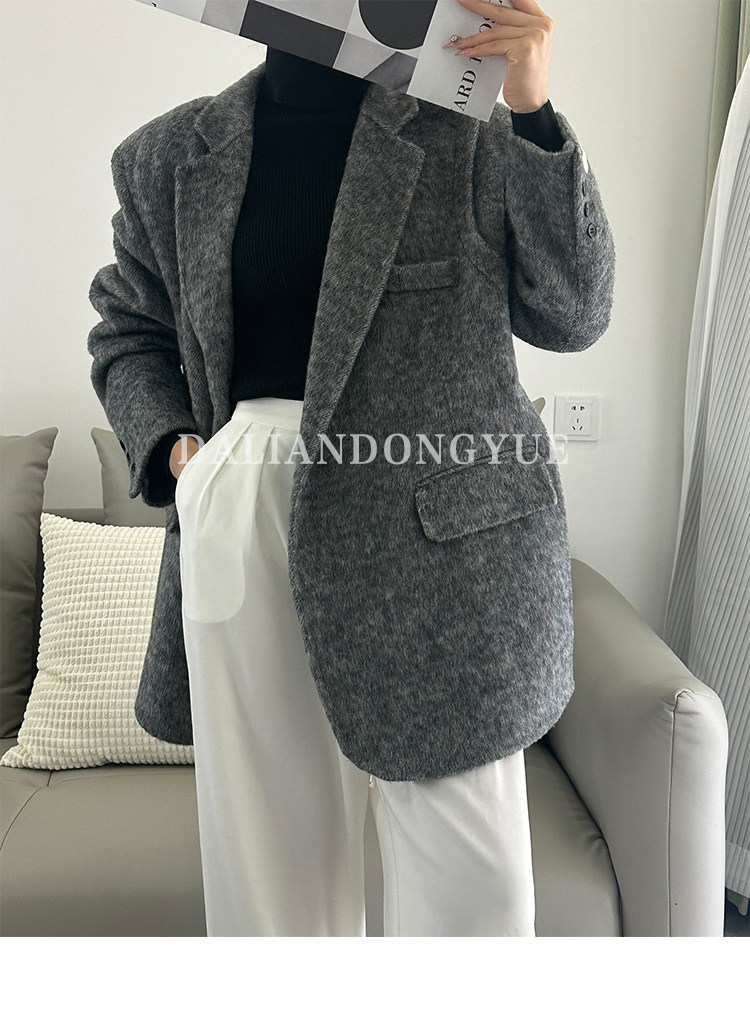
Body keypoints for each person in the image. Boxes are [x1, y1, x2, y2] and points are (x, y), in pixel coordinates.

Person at [88, 2, 615, 936]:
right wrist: (179, 456)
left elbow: (573, 311)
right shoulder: (168, 156)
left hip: (441, 542)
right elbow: (129, 330)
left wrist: (534, 112)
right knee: (270, 884)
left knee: (473, 897)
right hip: (242, 515)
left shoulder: (466, 134)